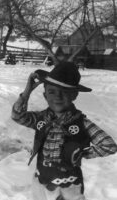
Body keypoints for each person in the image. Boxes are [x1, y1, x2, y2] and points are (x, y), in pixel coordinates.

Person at [11, 61, 117, 200]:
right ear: (45, 95)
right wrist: (26, 93)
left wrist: (80, 154)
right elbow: (18, 116)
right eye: (51, 91)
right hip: (41, 182)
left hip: (69, 187)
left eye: (65, 92)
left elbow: (109, 145)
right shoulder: (41, 119)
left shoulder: (82, 123)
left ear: (74, 95)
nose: (57, 97)